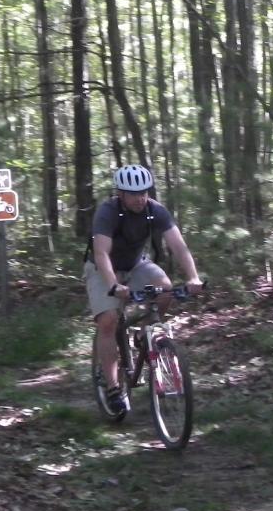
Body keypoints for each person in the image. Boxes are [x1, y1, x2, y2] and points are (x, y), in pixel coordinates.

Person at [84, 164, 204, 414]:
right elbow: (101, 253)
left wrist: (193, 277)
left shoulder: (154, 210)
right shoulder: (108, 212)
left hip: (137, 264)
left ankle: (143, 334)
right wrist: (114, 285)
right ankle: (114, 388)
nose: (140, 198)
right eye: (133, 193)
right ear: (121, 194)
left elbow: (179, 247)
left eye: (144, 192)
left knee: (165, 288)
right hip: (103, 268)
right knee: (108, 320)